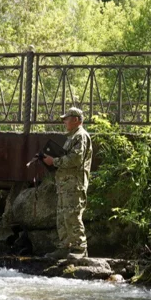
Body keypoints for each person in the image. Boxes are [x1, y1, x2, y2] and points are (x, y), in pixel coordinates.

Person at [42, 107, 93, 259]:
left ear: (76, 120)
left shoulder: (81, 136)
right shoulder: (72, 137)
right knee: (62, 217)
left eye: (66, 119)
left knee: (73, 216)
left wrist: (54, 161)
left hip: (74, 184)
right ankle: (64, 247)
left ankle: (80, 249)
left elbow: (76, 159)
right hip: (65, 185)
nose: (64, 122)